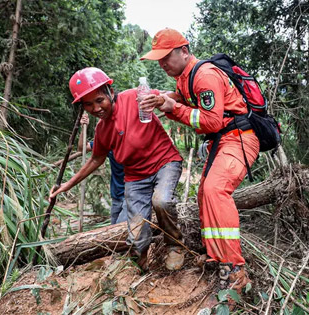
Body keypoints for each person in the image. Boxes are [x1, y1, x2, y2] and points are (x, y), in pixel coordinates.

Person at [140, 28, 259, 295]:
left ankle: (235, 272)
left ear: (184, 51)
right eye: (158, 59)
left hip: (239, 139)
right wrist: (162, 98)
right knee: (204, 194)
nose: (162, 64)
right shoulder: (185, 78)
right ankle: (216, 258)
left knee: (215, 190)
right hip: (223, 142)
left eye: (166, 57)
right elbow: (181, 98)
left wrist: (173, 108)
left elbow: (212, 120)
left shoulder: (204, 75)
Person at [49, 67, 185, 271]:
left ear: (110, 93)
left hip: (164, 162)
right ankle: (141, 265)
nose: (96, 108)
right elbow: (95, 160)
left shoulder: (134, 97)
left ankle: (175, 245)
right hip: (136, 178)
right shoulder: (102, 130)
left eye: (99, 100)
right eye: (88, 104)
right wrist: (66, 185)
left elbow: (174, 97)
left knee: (162, 200)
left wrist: (160, 101)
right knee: (136, 233)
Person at [78, 113, 127, 225]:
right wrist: (83, 127)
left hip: (132, 195)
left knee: (121, 230)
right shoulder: (107, 143)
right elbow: (82, 147)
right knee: (114, 229)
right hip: (116, 196)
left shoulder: (131, 141)